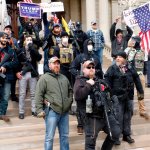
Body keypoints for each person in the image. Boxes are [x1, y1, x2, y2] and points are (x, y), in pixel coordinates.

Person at [73, 60, 120, 150]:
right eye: (88, 67)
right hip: (91, 116)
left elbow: (109, 93)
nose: (91, 69)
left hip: (105, 113)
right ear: (83, 70)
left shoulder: (99, 81)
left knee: (115, 133)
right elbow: (78, 95)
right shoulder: (80, 80)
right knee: (90, 143)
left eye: (93, 67)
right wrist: (88, 85)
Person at [104, 51, 144, 145]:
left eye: (120, 57)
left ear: (125, 59)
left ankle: (126, 135)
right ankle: (116, 137)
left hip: (129, 97)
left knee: (128, 116)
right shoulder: (112, 68)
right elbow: (106, 81)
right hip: (117, 98)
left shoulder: (130, 68)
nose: (117, 58)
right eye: (116, 57)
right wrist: (108, 95)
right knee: (118, 116)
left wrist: (140, 94)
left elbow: (137, 80)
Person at [35, 56, 73, 150]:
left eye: (58, 63)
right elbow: (38, 94)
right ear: (49, 65)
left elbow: (70, 91)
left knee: (65, 136)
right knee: (49, 138)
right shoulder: (44, 78)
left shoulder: (64, 78)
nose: (56, 65)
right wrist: (39, 109)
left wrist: (69, 102)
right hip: (52, 111)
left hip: (64, 112)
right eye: (54, 63)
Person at [70, 39, 103, 135]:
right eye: (88, 44)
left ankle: (95, 123)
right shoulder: (80, 57)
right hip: (82, 82)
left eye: (91, 44)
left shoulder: (96, 57)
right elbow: (72, 68)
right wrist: (78, 75)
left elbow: (100, 70)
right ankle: (80, 125)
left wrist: (97, 75)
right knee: (80, 106)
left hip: (94, 82)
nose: (90, 46)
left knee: (95, 103)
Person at [16, 35, 42, 119]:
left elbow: (39, 58)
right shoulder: (20, 50)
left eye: (31, 40)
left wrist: (33, 49)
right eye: (27, 40)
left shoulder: (33, 50)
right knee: (22, 93)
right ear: (24, 41)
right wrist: (17, 72)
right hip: (23, 73)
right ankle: (21, 112)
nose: (29, 41)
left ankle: (34, 110)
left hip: (32, 73)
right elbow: (16, 62)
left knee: (33, 93)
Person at [124, 36, 149, 120]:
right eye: (132, 40)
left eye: (133, 40)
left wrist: (144, 75)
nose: (132, 41)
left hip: (140, 74)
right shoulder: (128, 50)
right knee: (129, 92)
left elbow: (145, 63)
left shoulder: (142, 51)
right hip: (130, 75)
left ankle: (142, 110)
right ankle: (129, 110)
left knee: (141, 92)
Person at [0, 32, 18, 122]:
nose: (5, 39)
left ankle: (2, 114)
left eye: (6, 38)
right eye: (3, 38)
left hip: (7, 76)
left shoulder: (11, 50)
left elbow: (16, 63)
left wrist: (5, 65)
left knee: (6, 95)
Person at [4, 25, 19, 102]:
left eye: (9, 29)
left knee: (13, 80)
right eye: (6, 29)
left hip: (12, 62)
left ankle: (13, 95)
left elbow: (17, 50)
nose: (8, 30)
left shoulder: (14, 40)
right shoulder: (1, 39)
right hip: (3, 63)